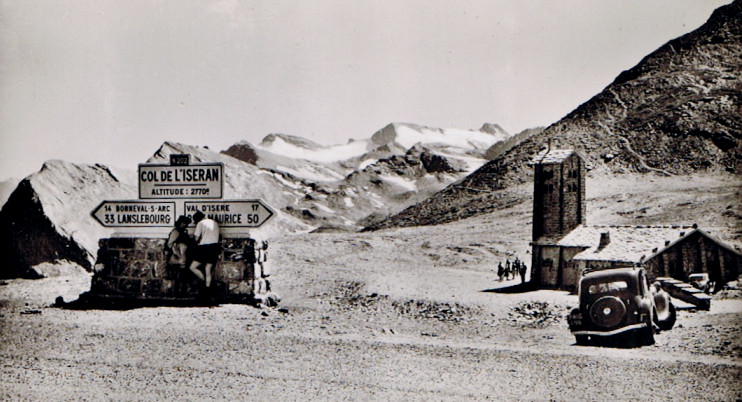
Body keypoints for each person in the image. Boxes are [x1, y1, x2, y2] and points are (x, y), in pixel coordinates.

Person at [188, 211, 221, 289]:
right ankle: (208, 287)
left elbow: (196, 238)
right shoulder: (214, 222)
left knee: (193, 267)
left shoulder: (200, 223)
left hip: (204, 248)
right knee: (208, 268)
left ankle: (204, 281)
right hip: (215, 247)